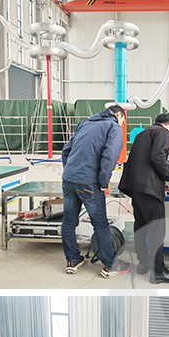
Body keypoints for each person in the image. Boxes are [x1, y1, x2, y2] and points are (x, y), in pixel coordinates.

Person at [61, 105, 130, 278]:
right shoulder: (113, 127)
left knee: (68, 222)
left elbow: (66, 151)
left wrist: (71, 171)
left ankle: (72, 260)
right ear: (119, 115)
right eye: (123, 120)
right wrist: (103, 181)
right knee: (100, 224)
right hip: (89, 182)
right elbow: (110, 156)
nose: (122, 124)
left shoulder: (85, 123)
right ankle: (110, 265)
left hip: (69, 179)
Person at [118, 113, 169, 284]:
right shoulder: (162, 132)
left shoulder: (142, 134)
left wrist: (159, 183)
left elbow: (143, 162)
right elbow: (158, 157)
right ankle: (158, 272)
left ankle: (144, 263)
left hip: (136, 188)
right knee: (157, 231)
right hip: (149, 191)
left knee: (141, 226)